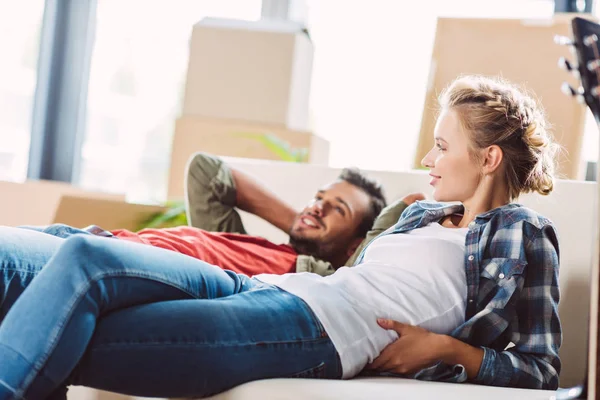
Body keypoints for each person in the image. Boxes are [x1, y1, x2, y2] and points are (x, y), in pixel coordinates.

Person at [0, 75, 561, 400]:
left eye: (442, 145)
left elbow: (541, 369)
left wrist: (448, 350)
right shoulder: (419, 217)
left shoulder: (523, 235)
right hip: (263, 286)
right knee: (84, 254)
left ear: (488, 158)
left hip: (315, 330)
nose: (427, 159)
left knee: (59, 322)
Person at [23, 154, 419, 277]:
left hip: (91, 264)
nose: (319, 205)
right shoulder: (252, 246)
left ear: (356, 244)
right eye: (319, 197)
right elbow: (207, 171)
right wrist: (305, 221)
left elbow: (412, 201)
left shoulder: (315, 279)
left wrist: (327, 245)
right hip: (83, 240)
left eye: (339, 209)